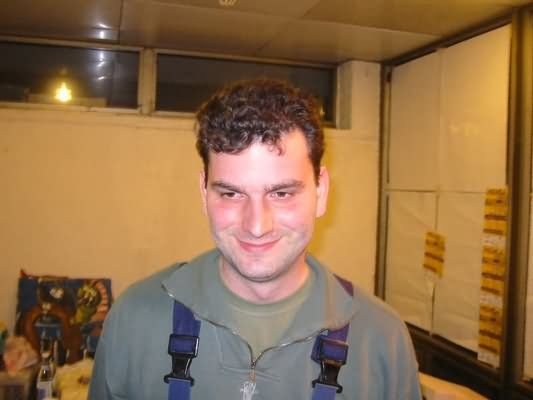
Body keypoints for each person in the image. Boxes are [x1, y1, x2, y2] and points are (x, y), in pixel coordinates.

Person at [88, 79, 422, 400]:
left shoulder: (382, 339)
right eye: (231, 194)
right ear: (204, 192)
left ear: (321, 191)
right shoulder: (133, 320)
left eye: (281, 193)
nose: (257, 226)